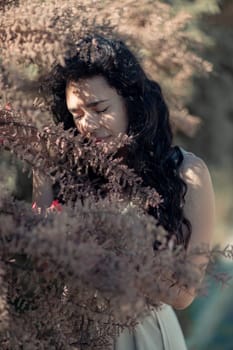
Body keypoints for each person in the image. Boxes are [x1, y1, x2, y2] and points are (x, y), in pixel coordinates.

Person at [33, 35, 215, 350]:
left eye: (99, 108)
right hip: (70, 332)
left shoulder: (185, 172)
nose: (87, 124)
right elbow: (40, 267)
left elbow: (184, 293)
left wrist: (104, 249)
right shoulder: (61, 170)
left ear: (131, 101)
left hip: (141, 335)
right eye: (76, 114)